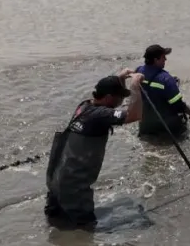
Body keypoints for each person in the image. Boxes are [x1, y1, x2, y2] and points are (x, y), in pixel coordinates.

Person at [45, 70, 144, 229]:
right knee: (85, 229)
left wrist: (120, 78)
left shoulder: (85, 105)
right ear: (109, 98)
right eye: (120, 96)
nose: (122, 100)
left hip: (57, 181)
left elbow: (116, 107)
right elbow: (135, 115)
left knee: (56, 225)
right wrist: (135, 87)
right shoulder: (100, 115)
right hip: (75, 190)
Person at [135, 44, 190, 137]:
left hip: (145, 125)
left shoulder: (138, 71)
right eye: (163, 57)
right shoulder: (166, 79)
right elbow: (178, 105)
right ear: (156, 60)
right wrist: (189, 111)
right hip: (166, 126)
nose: (165, 59)